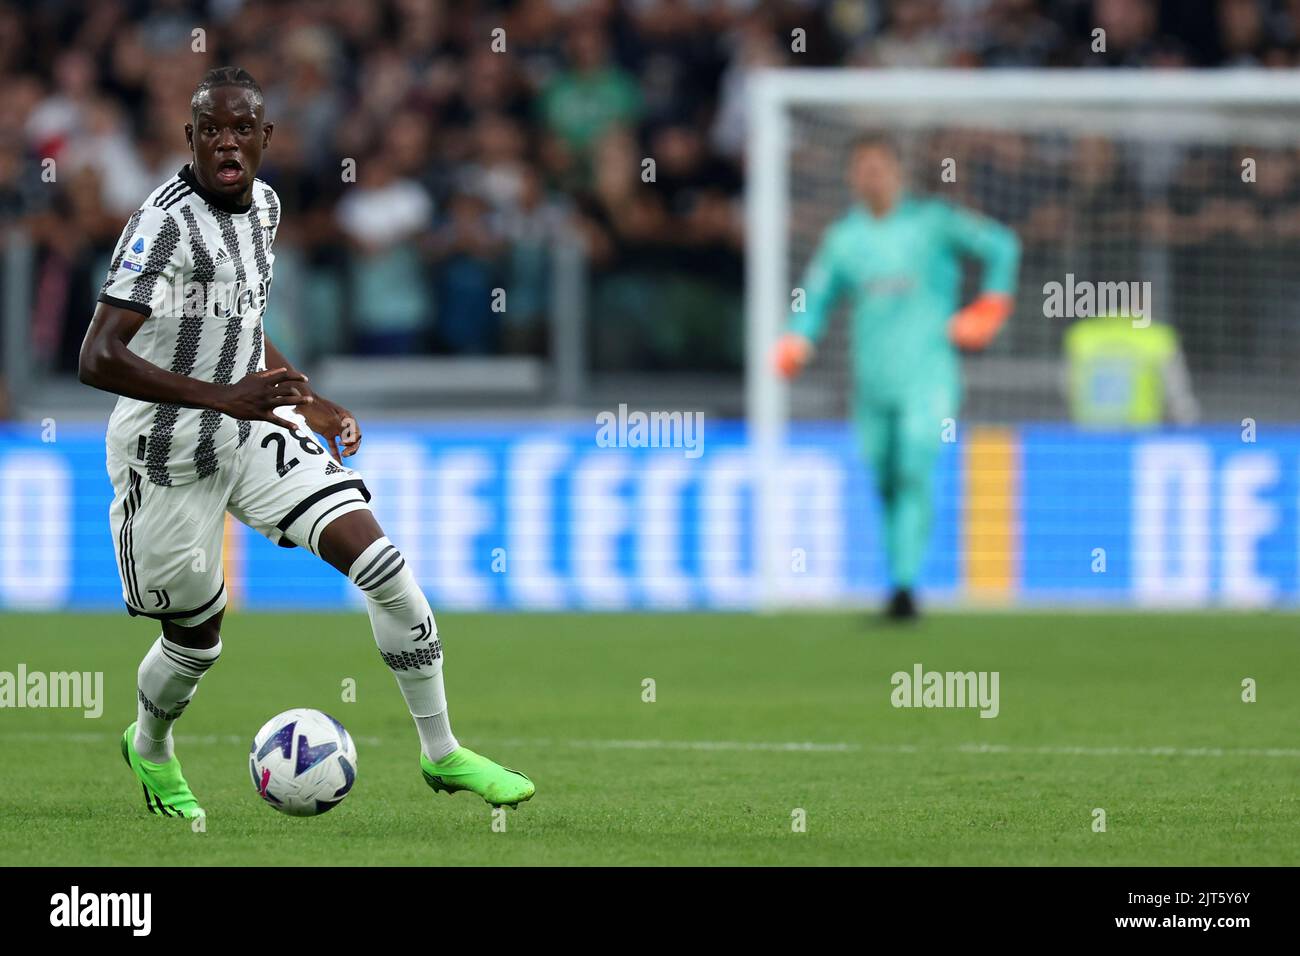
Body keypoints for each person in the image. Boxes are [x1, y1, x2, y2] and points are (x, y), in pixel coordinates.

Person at [78, 67, 534, 818]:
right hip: (165, 452)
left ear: (265, 138)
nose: (228, 141)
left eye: (241, 128)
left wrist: (305, 395)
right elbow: (97, 356)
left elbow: (243, 324)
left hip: (253, 426)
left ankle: (442, 750)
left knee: (383, 564)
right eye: (211, 130)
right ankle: (151, 745)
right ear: (189, 140)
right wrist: (227, 397)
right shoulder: (161, 225)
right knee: (195, 643)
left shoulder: (265, 207)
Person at [773, 135, 1021, 620]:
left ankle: (905, 588)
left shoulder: (933, 222)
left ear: (897, 172)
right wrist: (795, 336)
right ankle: (898, 583)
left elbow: (1002, 245)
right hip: (872, 382)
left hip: (928, 376)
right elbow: (813, 296)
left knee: (912, 466)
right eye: (862, 168)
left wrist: (992, 303)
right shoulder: (843, 239)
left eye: (879, 167)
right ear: (852, 178)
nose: (871, 176)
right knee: (885, 477)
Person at [1062, 311, 1198, 427]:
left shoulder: (1081, 334)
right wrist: (1188, 426)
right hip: (1140, 435)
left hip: (1091, 436)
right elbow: (1177, 394)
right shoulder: (1156, 336)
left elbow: (1068, 385)